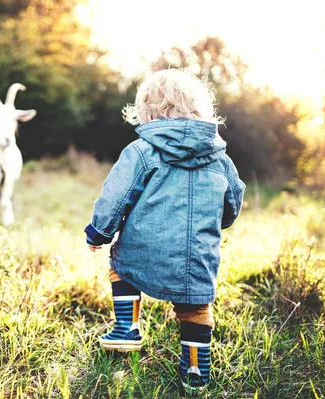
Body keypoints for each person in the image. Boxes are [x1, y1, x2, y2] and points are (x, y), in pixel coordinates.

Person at [84, 68, 246, 393]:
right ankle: (196, 373)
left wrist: (99, 233)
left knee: (120, 268)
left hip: (140, 253)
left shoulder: (142, 152)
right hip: (197, 260)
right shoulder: (221, 160)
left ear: (147, 111)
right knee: (196, 309)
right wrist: (220, 222)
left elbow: (116, 197)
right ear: (200, 108)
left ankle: (127, 328)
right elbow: (233, 203)